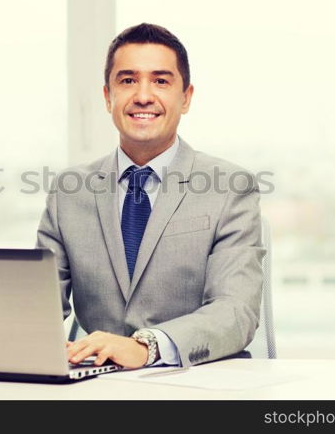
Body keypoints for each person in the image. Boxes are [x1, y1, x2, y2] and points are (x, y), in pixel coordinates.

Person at [36, 23, 264, 368]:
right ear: (107, 97)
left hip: (196, 384)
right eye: (127, 80)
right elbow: (39, 310)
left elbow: (235, 311)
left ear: (185, 98)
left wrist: (147, 347)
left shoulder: (230, 187)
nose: (143, 96)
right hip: (95, 386)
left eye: (161, 81)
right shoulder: (69, 192)